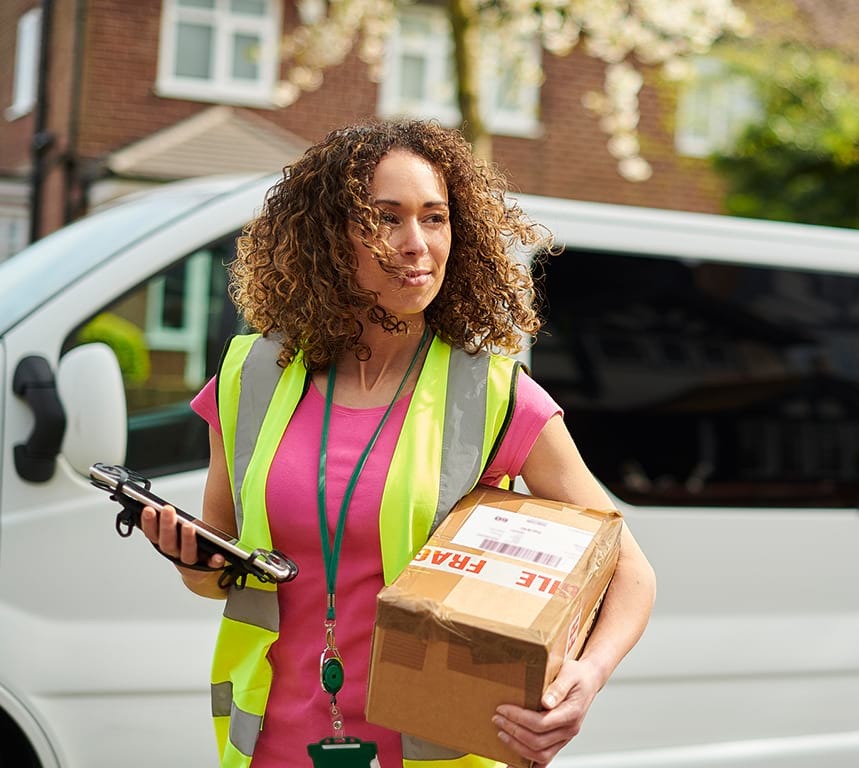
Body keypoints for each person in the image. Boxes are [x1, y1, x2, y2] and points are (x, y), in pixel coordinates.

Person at [140, 118, 656, 768]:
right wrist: (195, 560)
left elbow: (631, 572)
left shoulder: (493, 393)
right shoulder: (251, 375)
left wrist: (586, 677)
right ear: (331, 236)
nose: (418, 244)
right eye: (386, 218)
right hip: (269, 746)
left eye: (435, 218)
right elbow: (219, 582)